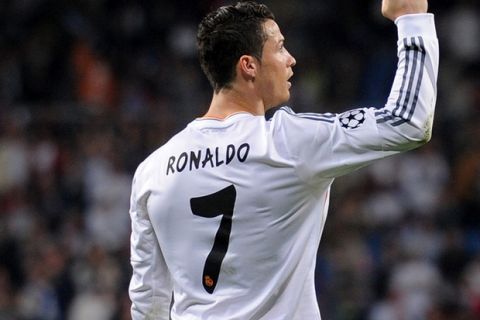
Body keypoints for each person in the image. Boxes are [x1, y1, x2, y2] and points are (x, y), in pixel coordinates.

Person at [128, 0, 439, 319]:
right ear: (248, 65)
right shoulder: (288, 142)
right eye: (280, 48)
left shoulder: (153, 170)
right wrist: (410, 17)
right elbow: (407, 120)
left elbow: (148, 302)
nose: (291, 60)